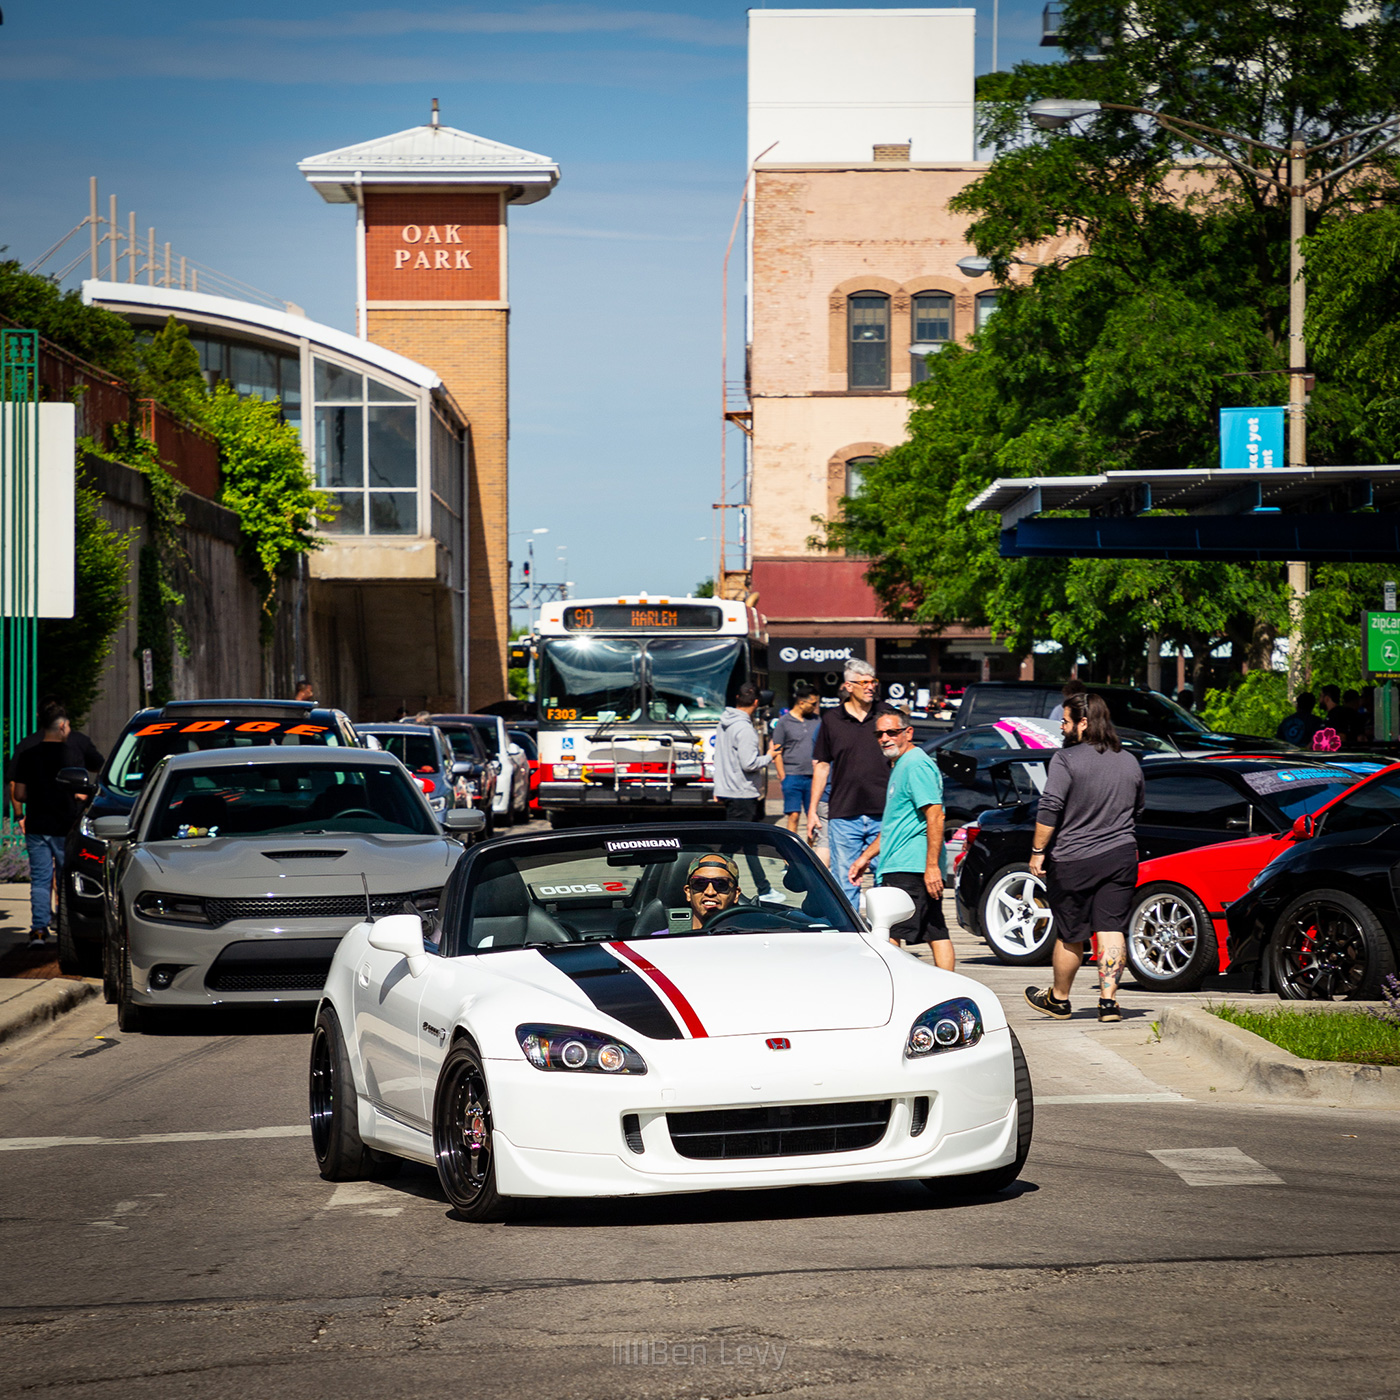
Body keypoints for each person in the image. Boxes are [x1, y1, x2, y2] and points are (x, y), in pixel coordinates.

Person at [1024, 692, 1145, 1024]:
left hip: (1074, 858)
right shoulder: (1129, 760)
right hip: (1120, 854)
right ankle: (1109, 1003)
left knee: (1072, 933)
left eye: (1065, 721)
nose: (1062, 727)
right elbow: (1138, 807)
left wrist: (1037, 852)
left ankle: (1060, 1000)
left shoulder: (1066, 759)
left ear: (1084, 722)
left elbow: (1050, 808)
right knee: (1111, 927)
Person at [847, 711, 954, 970]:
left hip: (910, 866)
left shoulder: (916, 764)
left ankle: (897, 989)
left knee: (889, 932)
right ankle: (948, 988)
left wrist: (931, 867)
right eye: (879, 734)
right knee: (934, 930)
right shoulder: (901, 764)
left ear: (908, 732)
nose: (885, 738)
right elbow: (895, 825)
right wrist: (865, 857)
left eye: (892, 732)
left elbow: (935, 815)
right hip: (903, 863)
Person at [807, 660, 894, 906]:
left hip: (883, 813)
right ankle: (853, 938)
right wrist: (813, 810)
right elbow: (822, 765)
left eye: (873, 682)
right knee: (846, 882)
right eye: (864, 682)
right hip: (844, 815)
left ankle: (884, 937)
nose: (870, 687)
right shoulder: (832, 719)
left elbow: (901, 756)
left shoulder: (886, 714)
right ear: (848, 685)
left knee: (885, 880)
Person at [11, 705, 86, 947]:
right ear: (62, 726)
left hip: (37, 825)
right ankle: (66, 925)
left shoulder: (29, 753)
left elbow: (19, 793)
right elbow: (82, 795)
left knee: (41, 879)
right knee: (66, 878)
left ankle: (39, 930)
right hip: (64, 825)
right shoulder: (72, 754)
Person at [713, 683, 781, 902]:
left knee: (742, 844)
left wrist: (718, 787)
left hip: (729, 790)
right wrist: (770, 755)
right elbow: (749, 763)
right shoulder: (745, 729)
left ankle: (764, 888)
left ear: (736, 698)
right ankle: (760, 888)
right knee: (739, 845)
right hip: (743, 792)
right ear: (755, 702)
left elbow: (719, 757)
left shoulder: (724, 723)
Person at [769, 685, 821, 837]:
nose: (815, 707)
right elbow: (778, 751)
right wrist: (782, 776)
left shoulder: (817, 721)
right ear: (801, 702)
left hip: (814, 776)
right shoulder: (784, 722)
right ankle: (792, 854)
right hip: (792, 775)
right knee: (794, 815)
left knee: (814, 816)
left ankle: (812, 854)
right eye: (813, 704)